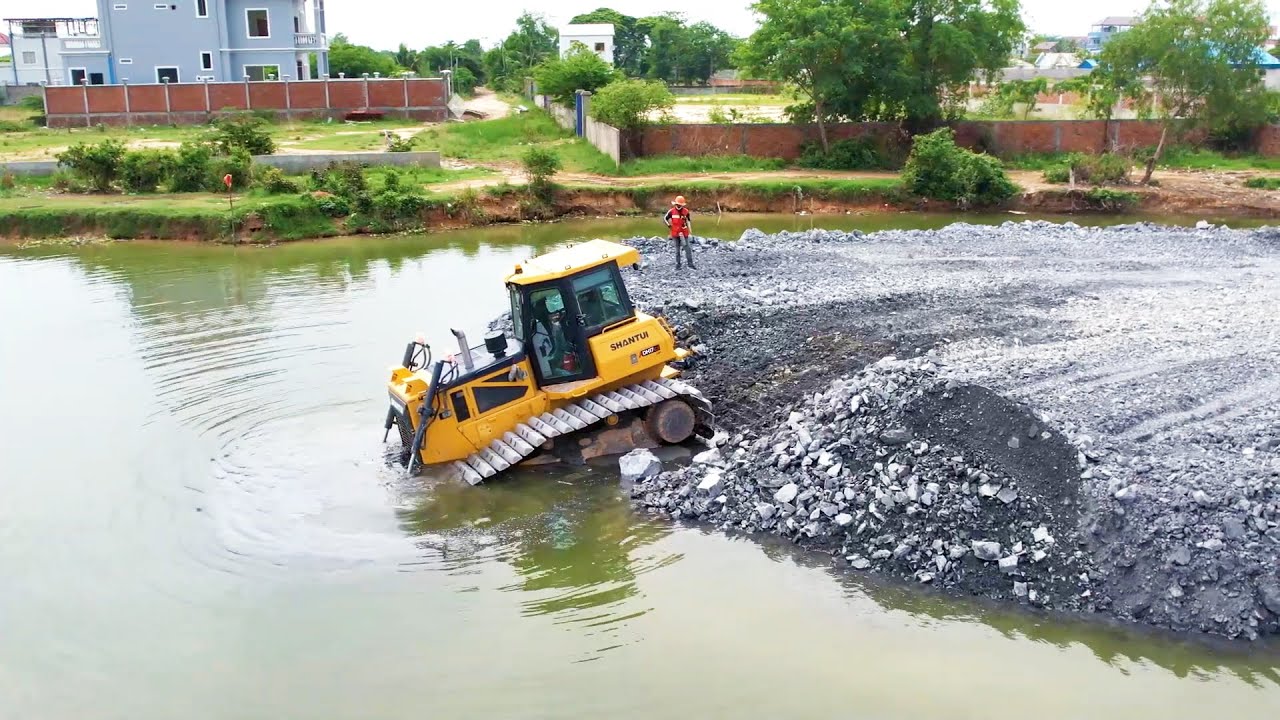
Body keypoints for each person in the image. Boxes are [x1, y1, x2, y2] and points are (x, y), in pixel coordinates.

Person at [663, 195, 696, 270]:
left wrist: (690, 231)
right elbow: (665, 218)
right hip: (675, 233)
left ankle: (690, 264)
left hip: (684, 233)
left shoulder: (686, 211)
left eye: (680, 205)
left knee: (687, 248)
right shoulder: (671, 211)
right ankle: (678, 265)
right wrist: (669, 226)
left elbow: (688, 221)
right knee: (677, 250)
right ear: (675, 204)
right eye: (678, 204)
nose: (678, 206)